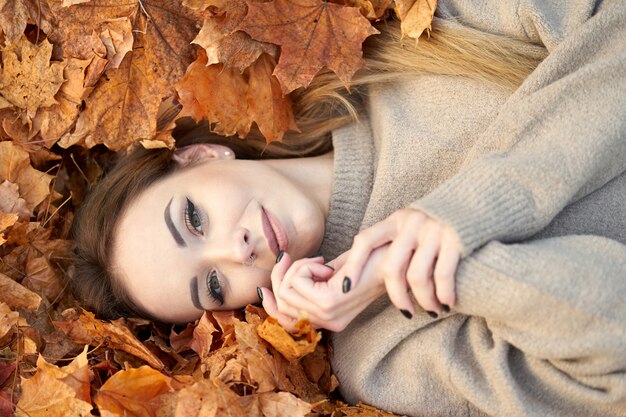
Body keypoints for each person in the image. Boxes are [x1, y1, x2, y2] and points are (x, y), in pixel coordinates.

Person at [69, 1, 626, 416]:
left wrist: (472, 211)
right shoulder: (379, 357)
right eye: (212, 285)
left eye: (193, 219)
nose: (233, 250)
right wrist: (406, 269)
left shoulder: (396, 43)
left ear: (200, 156)